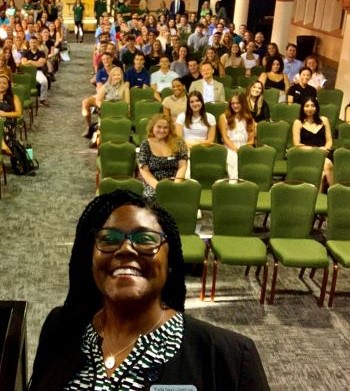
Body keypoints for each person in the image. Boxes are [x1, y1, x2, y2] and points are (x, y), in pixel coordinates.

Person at [29, 190, 269, 390]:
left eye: (145, 239)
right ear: (89, 257)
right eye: (109, 239)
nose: (125, 250)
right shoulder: (61, 327)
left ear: (170, 259)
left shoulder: (228, 356)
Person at [137, 114, 188, 200]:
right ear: (152, 127)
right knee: (152, 197)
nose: (162, 130)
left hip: (175, 181)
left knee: (181, 197)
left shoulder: (179, 142)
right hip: (154, 182)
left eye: (165, 127)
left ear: (169, 129)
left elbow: (182, 166)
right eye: (159, 127)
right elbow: (144, 171)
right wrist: (159, 188)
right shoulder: (145, 144)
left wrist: (175, 185)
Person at [292, 96, 333, 187]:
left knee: (326, 166)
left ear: (316, 107)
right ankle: (332, 192)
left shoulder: (324, 120)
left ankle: (332, 192)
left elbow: (329, 140)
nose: (310, 108)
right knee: (324, 168)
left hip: (324, 152)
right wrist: (315, 150)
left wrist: (325, 149)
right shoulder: (298, 122)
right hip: (306, 154)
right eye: (307, 106)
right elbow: (297, 144)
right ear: (302, 108)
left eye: (312, 105)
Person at [218, 93, 255, 179]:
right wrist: (235, 150)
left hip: (245, 148)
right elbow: (225, 137)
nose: (235, 106)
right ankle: (234, 182)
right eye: (232, 103)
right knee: (234, 158)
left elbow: (251, 140)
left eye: (238, 103)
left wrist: (242, 150)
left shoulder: (249, 118)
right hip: (229, 147)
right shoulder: (223, 117)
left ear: (243, 104)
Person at [82, 66, 130, 133]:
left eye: (118, 75)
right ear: (111, 76)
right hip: (107, 111)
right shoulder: (106, 86)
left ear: (122, 76)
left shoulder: (125, 88)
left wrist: (125, 112)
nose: (116, 77)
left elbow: (127, 103)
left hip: (119, 112)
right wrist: (104, 107)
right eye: (114, 75)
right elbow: (98, 100)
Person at [21, 35, 50, 106]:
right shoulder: (26, 52)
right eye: (31, 43)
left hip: (37, 71)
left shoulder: (41, 53)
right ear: (29, 44)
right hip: (27, 72)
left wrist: (30, 61)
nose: (33, 44)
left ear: (37, 43)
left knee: (44, 81)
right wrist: (35, 63)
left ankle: (42, 99)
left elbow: (41, 64)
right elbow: (24, 63)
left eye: (34, 42)